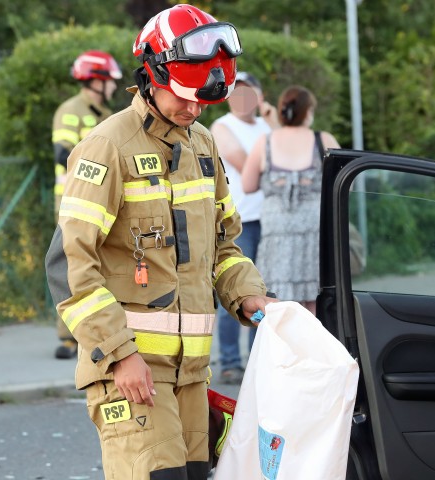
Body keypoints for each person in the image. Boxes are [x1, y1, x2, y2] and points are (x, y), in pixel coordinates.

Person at [44, 4, 277, 479]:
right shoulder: (108, 146)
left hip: (193, 374)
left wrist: (249, 296)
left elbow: (224, 246)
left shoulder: (203, 145)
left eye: (203, 101)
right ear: (151, 75)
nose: (193, 109)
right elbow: (68, 262)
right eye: (184, 96)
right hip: (131, 374)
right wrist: (119, 355)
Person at [242, 85, 339, 315]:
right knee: (316, 300)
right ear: (308, 112)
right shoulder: (323, 140)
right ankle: (314, 349)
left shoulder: (265, 142)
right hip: (314, 233)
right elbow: (344, 182)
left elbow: (247, 185)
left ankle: (286, 350)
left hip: (277, 238)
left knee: (279, 305)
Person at [51, 50, 123, 359]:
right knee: (73, 266)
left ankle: (96, 331)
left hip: (100, 202)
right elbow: (61, 152)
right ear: (95, 81)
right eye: (109, 81)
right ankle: (67, 337)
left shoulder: (102, 113)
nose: (112, 87)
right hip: (73, 201)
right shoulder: (72, 110)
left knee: (98, 268)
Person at [209, 71, 278, 384]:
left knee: (262, 294)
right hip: (240, 222)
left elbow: (293, 149)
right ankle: (229, 361)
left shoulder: (267, 127)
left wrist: (273, 121)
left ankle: (256, 358)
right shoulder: (222, 127)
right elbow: (242, 163)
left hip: (270, 220)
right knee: (233, 290)